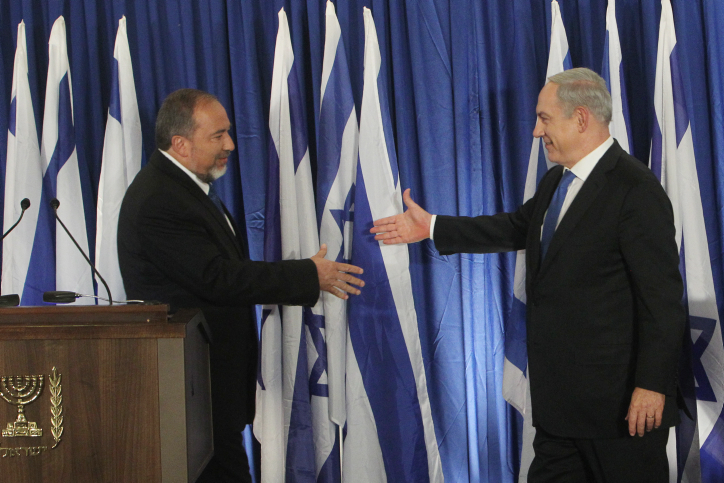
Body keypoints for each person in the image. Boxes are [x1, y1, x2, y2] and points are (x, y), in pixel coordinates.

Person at [371, 68, 684, 482]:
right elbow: (514, 227)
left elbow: (661, 302)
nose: (537, 131)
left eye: (544, 118)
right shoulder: (557, 181)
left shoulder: (635, 190)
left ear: (581, 119)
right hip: (560, 412)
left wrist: (651, 384)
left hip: (620, 415)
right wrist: (430, 227)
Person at [117, 88, 364, 483]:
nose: (230, 144)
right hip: (189, 395)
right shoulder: (158, 201)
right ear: (180, 144)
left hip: (210, 394)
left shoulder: (187, 190)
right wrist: (306, 275)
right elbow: (218, 279)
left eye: (228, 133)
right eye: (218, 136)